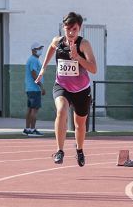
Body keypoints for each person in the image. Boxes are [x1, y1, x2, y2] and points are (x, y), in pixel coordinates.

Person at [36, 12, 98, 166]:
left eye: (74, 30)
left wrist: (78, 57)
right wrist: (43, 69)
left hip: (82, 90)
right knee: (61, 110)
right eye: (68, 29)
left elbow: (94, 69)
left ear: (80, 29)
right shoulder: (58, 41)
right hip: (62, 86)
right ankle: (59, 150)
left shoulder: (84, 45)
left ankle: (80, 150)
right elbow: (51, 48)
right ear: (63, 28)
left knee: (79, 124)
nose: (71, 33)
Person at [24, 43, 44, 136]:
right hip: (34, 89)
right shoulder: (33, 60)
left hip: (30, 88)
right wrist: (41, 86)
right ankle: (32, 130)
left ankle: (27, 129)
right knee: (34, 110)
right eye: (38, 48)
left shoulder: (33, 59)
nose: (40, 50)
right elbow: (33, 74)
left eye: (41, 48)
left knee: (30, 109)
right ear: (33, 50)